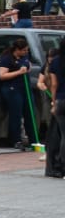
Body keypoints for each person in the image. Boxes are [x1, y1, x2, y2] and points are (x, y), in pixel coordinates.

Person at [0, 37, 33, 150]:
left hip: (25, 88)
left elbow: (28, 66)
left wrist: (28, 68)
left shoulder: (25, 56)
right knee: (16, 115)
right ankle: (15, 140)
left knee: (30, 113)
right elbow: (2, 76)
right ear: (17, 49)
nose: (26, 52)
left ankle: (33, 139)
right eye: (24, 50)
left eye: (27, 50)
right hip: (12, 89)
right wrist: (18, 72)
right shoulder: (6, 58)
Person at [44, 45, 65, 178]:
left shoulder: (56, 61)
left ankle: (61, 165)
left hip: (61, 101)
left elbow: (54, 84)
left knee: (63, 135)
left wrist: (53, 101)